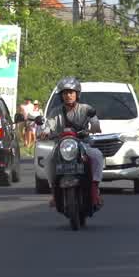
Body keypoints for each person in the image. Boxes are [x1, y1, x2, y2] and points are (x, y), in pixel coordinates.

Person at [40, 77, 104, 207]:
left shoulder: (86, 109)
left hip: (83, 143)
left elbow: (94, 121)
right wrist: (45, 132)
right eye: (65, 93)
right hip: (62, 145)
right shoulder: (55, 112)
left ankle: (94, 189)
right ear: (61, 96)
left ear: (77, 94)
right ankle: (54, 192)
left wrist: (95, 127)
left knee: (97, 155)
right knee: (48, 160)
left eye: (71, 92)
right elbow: (49, 125)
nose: (68, 95)